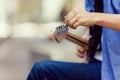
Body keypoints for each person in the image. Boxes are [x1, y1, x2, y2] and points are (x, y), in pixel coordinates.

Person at [64, 0, 120, 80]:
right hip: (96, 60)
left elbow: (95, 17)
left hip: (115, 68)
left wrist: (93, 17)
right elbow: (96, 19)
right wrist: (87, 37)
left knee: (44, 69)